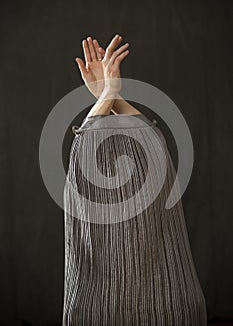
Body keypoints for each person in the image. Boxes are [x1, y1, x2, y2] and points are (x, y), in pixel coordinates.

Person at [62, 34, 207, 325]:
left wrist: (107, 97)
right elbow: (154, 142)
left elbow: (83, 149)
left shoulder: (89, 313)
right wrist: (110, 96)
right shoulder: (180, 309)